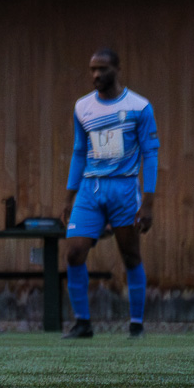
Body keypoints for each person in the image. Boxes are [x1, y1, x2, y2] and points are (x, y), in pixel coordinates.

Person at [62, 48, 157, 340]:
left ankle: (137, 325)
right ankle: (83, 323)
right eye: (92, 69)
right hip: (91, 190)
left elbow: (150, 154)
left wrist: (149, 204)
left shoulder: (139, 107)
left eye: (102, 69)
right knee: (75, 252)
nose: (95, 75)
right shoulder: (82, 107)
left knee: (130, 255)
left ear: (117, 69)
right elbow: (79, 152)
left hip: (124, 188)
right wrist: (69, 197)